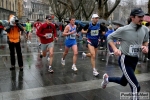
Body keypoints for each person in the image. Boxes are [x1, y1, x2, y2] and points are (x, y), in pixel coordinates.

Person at [101, 8, 149, 100]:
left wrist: (145, 47)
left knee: (123, 82)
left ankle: (107, 79)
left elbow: (145, 41)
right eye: (139, 16)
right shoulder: (124, 29)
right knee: (136, 87)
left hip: (135, 59)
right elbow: (109, 37)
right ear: (132, 17)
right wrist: (115, 49)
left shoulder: (145, 29)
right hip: (124, 59)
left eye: (143, 16)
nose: (142, 18)